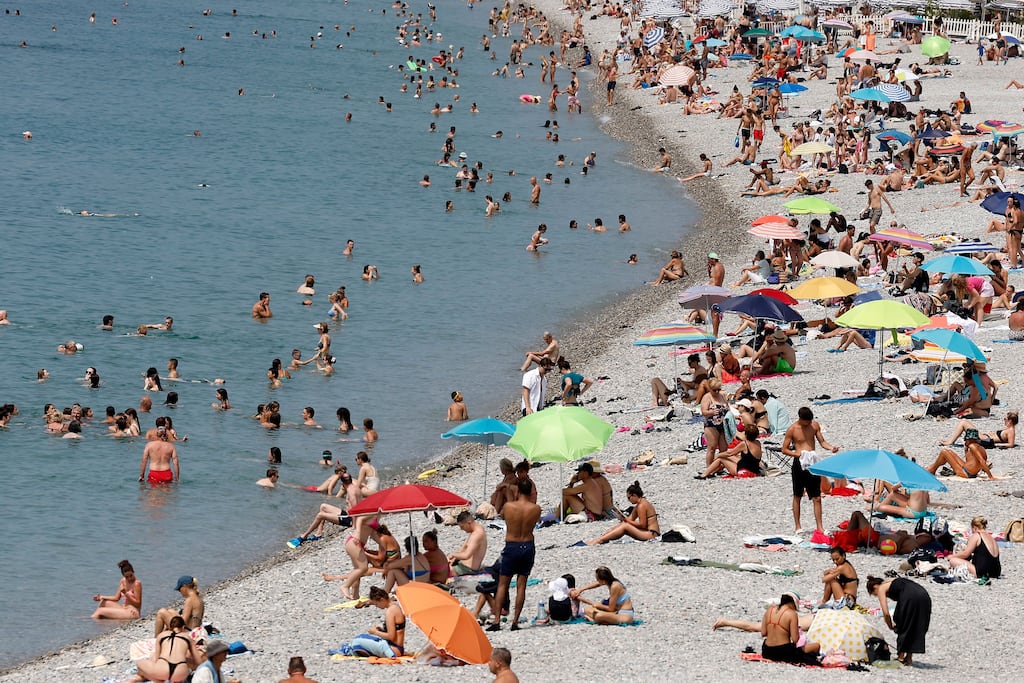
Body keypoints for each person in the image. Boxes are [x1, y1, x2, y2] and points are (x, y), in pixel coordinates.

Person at [488, 480, 542, 631]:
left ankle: (497, 621)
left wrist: (509, 493)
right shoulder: (536, 508)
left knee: (503, 584)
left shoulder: (509, 506)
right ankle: (515, 622)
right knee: (521, 585)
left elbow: (502, 514)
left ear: (517, 491)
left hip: (511, 545)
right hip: (527, 546)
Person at [781, 407, 839, 533]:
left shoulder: (814, 425)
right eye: (806, 421)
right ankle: (798, 526)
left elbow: (822, 441)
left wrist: (831, 448)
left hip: (812, 461)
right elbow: (784, 449)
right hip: (799, 461)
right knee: (797, 495)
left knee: (817, 496)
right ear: (800, 419)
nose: (808, 424)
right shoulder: (792, 429)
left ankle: (820, 526)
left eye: (809, 421)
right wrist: (797, 454)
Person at [866, 576, 932, 666]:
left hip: (909, 597)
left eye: (875, 594)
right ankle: (909, 657)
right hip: (924, 595)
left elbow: (886, 613)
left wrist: (889, 624)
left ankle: (900, 657)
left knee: (902, 623)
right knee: (916, 624)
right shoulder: (890, 581)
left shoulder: (881, 588)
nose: (877, 595)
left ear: (875, 587)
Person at [585, 481, 659, 544]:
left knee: (625, 526)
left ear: (634, 495)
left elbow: (642, 525)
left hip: (651, 534)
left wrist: (627, 520)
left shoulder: (641, 506)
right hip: (648, 532)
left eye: (629, 498)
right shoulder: (639, 504)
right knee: (624, 525)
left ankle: (599, 540)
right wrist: (612, 529)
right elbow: (630, 519)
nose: (629, 500)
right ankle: (601, 538)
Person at [135, 615, 202, 682]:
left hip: (163, 670)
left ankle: (159, 681)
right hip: (180, 672)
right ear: (183, 627)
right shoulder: (187, 637)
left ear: (170, 627)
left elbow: (157, 658)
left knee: (139, 663)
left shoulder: (162, 635)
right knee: (182, 669)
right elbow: (198, 661)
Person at [760, 593, 820, 664]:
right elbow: (795, 639)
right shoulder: (791, 614)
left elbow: (763, 633)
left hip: (767, 651)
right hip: (784, 652)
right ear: (793, 603)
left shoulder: (769, 610)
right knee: (816, 646)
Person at [696, 423, 762, 478]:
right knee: (732, 458)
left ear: (746, 434)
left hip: (744, 471)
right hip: (755, 469)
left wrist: (718, 455)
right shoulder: (758, 443)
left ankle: (704, 474)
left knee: (721, 459)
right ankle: (711, 472)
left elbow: (730, 453)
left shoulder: (744, 444)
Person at [924, 430, 997, 479]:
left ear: (970, 439)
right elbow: (970, 462)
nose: (965, 441)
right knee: (949, 452)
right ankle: (932, 468)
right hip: (969, 471)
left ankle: (932, 469)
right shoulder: (980, 447)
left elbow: (982, 461)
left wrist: (990, 477)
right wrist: (966, 451)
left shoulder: (973, 447)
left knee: (944, 452)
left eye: (966, 439)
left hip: (966, 473)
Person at [940, 413, 1017, 448]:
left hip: (987, 441)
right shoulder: (1009, 429)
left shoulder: (1011, 431)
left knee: (963, 423)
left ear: (1010, 421)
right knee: (964, 422)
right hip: (986, 438)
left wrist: (996, 445)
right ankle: (951, 441)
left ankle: (950, 442)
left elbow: (1011, 444)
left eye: (1005, 419)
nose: (1004, 420)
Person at [449, 511, 488, 575]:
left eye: (462, 526)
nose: (461, 529)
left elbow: (466, 555)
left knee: (440, 572)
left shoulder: (477, 535)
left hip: (468, 569)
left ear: (469, 523)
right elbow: (464, 548)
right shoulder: (475, 530)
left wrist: (453, 555)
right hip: (464, 565)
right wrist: (454, 559)